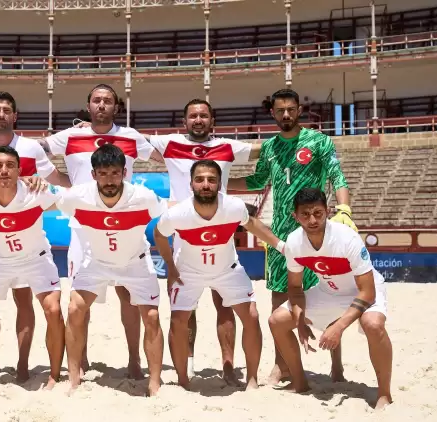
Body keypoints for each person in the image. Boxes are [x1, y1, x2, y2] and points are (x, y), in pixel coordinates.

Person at [0, 84, 163, 379]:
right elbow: (32, 146)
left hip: (122, 221)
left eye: (107, 101)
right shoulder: (70, 135)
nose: (101, 105)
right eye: (96, 100)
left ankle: (134, 360)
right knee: (80, 299)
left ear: (116, 107)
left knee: (127, 295)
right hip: (82, 224)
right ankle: (80, 359)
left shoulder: (131, 137)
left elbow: (166, 157)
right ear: (88, 106)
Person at [229, 88, 357, 385]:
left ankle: (336, 365)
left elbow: (337, 176)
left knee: (329, 290)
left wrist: (345, 209)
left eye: (290, 109)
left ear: (299, 110)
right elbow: (257, 180)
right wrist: (223, 182)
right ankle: (281, 364)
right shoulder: (270, 147)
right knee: (279, 295)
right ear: (272, 113)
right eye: (280, 110)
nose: (285, 114)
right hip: (281, 233)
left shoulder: (319, 141)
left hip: (316, 230)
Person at [145, 98, 261, 382]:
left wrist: (297, 137)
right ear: (184, 121)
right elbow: (128, 138)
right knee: (185, 307)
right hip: (183, 232)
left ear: (212, 121)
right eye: (193, 116)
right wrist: (89, 128)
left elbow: (263, 150)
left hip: (219, 226)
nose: (198, 120)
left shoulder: (228, 146)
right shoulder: (169, 143)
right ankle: (189, 362)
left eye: (203, 116)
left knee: (225, 303)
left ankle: (228, 364)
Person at [0, 91, 70, 382]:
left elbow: (55, 179)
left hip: (25, 232)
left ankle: (22, 363)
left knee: (24, 300)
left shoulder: (30, 148)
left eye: (6, 110)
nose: (1, 115)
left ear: (15, 116)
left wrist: (83, 183)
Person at [153, 160, 284, 390]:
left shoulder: (233, 207)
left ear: (219, 184)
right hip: (188, 272)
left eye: (211, 180)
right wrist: (170, 267)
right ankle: (183, 380)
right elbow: (159, 234)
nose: (205, 184)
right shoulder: (177, 214)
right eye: (200, 179)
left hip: (227, 270)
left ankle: (251, 379)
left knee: (251, 316)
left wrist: (281, 246)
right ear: (191, 184)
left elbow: (253, 224)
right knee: (178, 321)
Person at [55, 143, 166, 396]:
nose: (109, 179)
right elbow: (44, 201)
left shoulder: (144, 197)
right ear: (93, 174)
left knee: (151, 317)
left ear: (125, 173)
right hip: (96, 262)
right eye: (103, 173)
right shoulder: (77, 197)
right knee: (74, 309)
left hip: (135, 262)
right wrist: (31, 183)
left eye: (115, 173)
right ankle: (74, 378)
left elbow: (172, 211)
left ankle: (153, 381)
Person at [268, 188, 392, 410]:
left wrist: (338, 327)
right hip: (329, 292)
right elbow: (295, 288)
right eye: (305, 214)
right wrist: (299, 318)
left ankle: (384, 394)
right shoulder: (294, 241)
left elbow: (367, 292)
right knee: (277, 320)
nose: (312, 220)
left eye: (318, 213)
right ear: (295, 216)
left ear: (327, 211)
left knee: (373, 325)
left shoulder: (347, 238)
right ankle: (299, 383)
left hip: (364, 290)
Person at [0, 145, 64, 397]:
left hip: (34, 259)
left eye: (10, 166)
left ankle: (53, 374)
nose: (4, 171)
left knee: (53, 310)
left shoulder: (37, 191)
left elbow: (74, 196)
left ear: (20, 170)